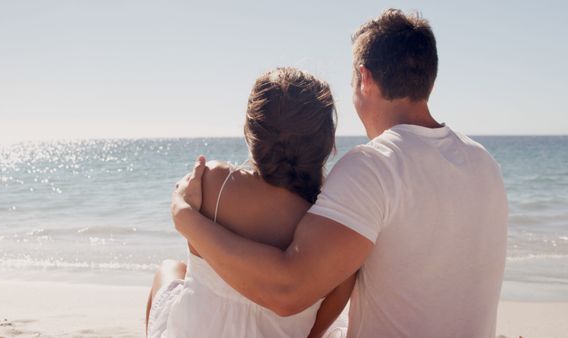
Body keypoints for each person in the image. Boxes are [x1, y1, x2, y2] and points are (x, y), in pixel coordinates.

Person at [172, 9, 508, 338]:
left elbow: (287, 291)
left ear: (364, 78)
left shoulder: (375, 165)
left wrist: (185, 217)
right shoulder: (483, 162)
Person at [147, 67, 356, 338]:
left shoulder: (213, 181)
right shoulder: (330, 225)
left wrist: (183, 211)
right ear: (327, 142)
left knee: (169, 269)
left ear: (250, 132)